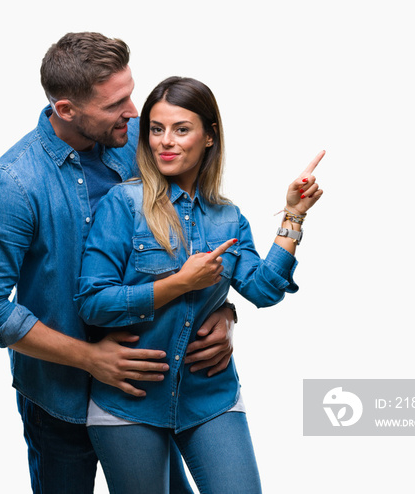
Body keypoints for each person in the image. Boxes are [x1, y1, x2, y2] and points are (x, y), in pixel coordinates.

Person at [0, 33, 237, 493]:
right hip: (61, 400)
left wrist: (224, 314)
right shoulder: (16, 182)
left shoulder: (138, 140)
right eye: (116, 104)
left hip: (148, 388)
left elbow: (199, 226)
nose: (134, 111)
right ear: (66, 110)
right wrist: (91, 359)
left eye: (131, 93)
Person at [74, 76, 324, 494]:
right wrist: (178, 284)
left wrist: (293, 217)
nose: (165, 142)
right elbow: (93, 304)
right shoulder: (124, 204)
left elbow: (263, 290)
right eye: (156, 129)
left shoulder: (227, 217)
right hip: (129, 399)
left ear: (209, 137)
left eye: (181, 129)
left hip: (209, 396)